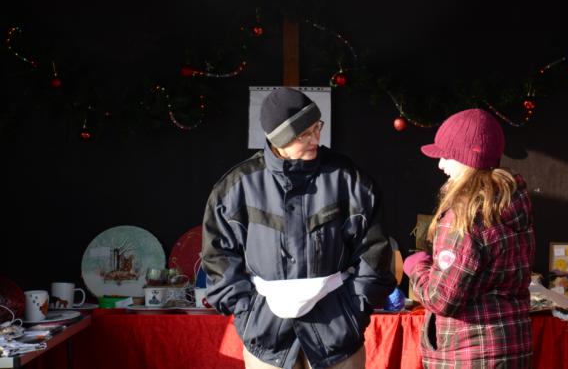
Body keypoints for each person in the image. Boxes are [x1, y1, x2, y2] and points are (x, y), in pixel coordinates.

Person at [201, 87, 396, 369]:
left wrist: (352, 311)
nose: (315, 139)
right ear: (277, 140)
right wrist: (248, 312)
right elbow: (217, 257)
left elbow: (375, 252)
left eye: (317, 127)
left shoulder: (349, 180)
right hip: (267, 341)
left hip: (337, 339)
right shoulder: (237, 187)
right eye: (303, 134)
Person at [402, 108, 535, 369]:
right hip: (512, 346)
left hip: (471, 354)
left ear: (466, 159)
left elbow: (442, 299)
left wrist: (416, 266)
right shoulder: (512, 203)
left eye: (447, 156)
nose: (440, 165)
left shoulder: (464, 217)